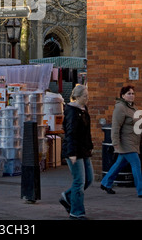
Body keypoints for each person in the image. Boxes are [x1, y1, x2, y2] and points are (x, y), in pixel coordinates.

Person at [100, 85, 142, 197]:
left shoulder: (133, 108)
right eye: (129, 94)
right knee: (136, 165)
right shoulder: (120, 108)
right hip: (126, 142)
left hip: (133, 142)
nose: (131, 96)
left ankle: (106, 183)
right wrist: (115, 143)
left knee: (119, 164)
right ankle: (141, 191)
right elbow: (115, 127)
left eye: (133, 93)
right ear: (123, 96)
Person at [60, 84, 94, 220]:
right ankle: (77, 212)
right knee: (79, 181)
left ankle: (67, 196)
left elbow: (86, 131)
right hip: (74, 151)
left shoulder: (84, 109)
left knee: (89, 179)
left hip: (84, 150)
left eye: (87, 96)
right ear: (77, 97)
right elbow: (70, 134)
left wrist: (90, 146)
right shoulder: (72, 112)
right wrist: (72, 153)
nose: (87, 98)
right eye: (85, 96)